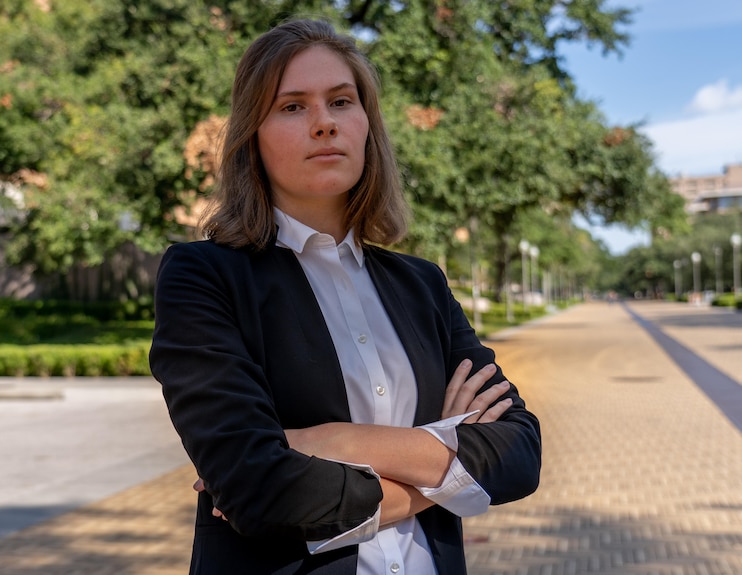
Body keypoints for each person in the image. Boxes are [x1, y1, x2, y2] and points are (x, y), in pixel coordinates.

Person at [149, 18, 541, 575]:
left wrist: (328, 440)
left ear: (366, 125)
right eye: (292, 107)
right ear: (252, 137)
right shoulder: (203, 276)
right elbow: (258, 490)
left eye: (341, 101)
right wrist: (442, 458)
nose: (324, 123)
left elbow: (519, 452)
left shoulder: (422, 284)